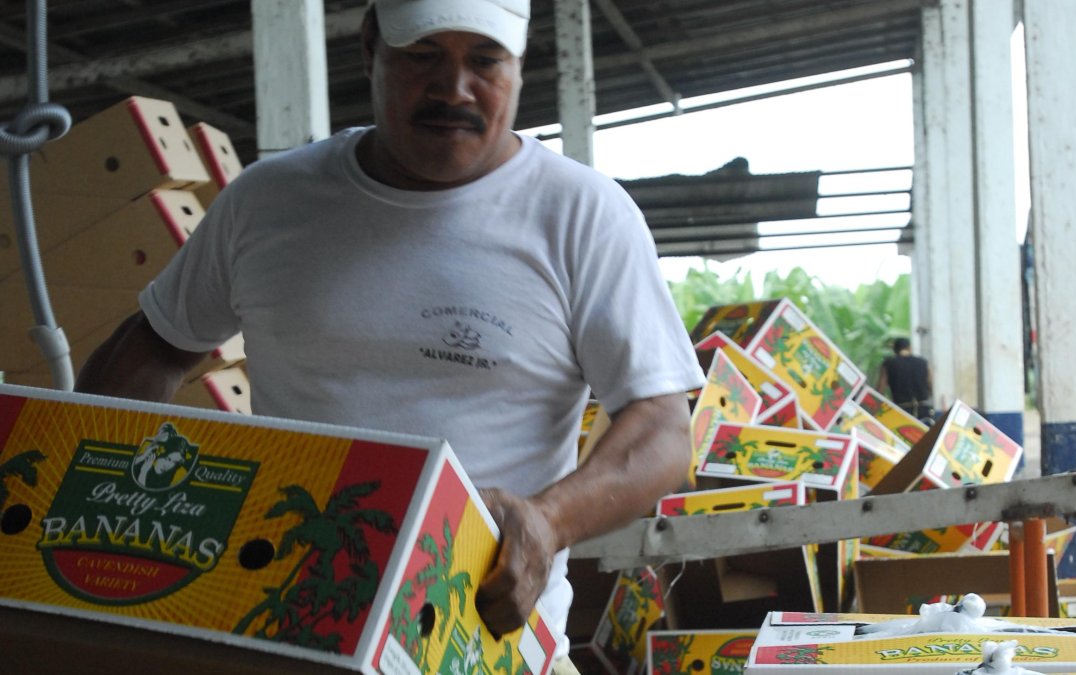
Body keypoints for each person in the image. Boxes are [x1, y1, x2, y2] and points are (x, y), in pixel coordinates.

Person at [73, 0, 704, 665]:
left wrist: (548, 521)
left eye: (484, 61)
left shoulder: (582, 215)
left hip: (486, 641)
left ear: (519, 66)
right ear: (370, 47)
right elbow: (154, 346)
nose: (453, 88)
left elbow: (662, 428)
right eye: (423, 55)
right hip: (289, 621)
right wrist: (94, 488)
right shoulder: (269, 202)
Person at [877, 337, 934, 422]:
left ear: (895, 350)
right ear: (909, 348)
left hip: (901, 412)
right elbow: (930, 385)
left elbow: (880, 390)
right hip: (923, 411)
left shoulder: (888, 364)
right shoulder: (923, 362)